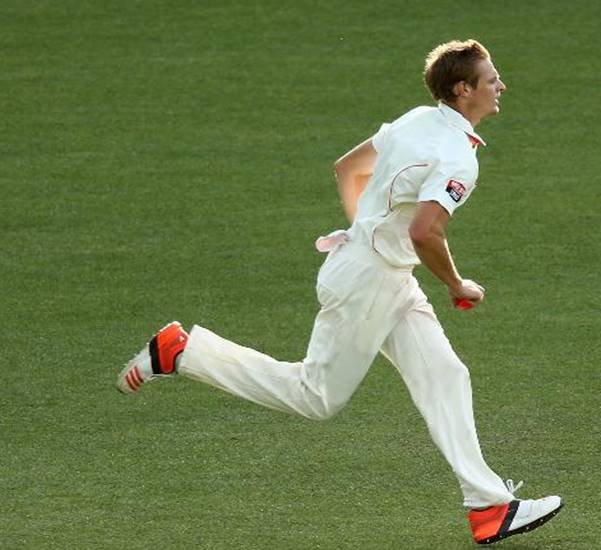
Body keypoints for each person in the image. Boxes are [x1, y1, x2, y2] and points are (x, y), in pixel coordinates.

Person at [117, 39, 562, 545]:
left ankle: (489, 508)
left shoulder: (418, 119)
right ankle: (183, 352)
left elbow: (347, 168)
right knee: (316, 396)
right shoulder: (457, 157)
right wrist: (456, 284)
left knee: (445, 375)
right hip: (369, 283)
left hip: (380, 274)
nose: (501, 85)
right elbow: (425, 232)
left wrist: (365, 235)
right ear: (464, 90)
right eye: (491, 79)